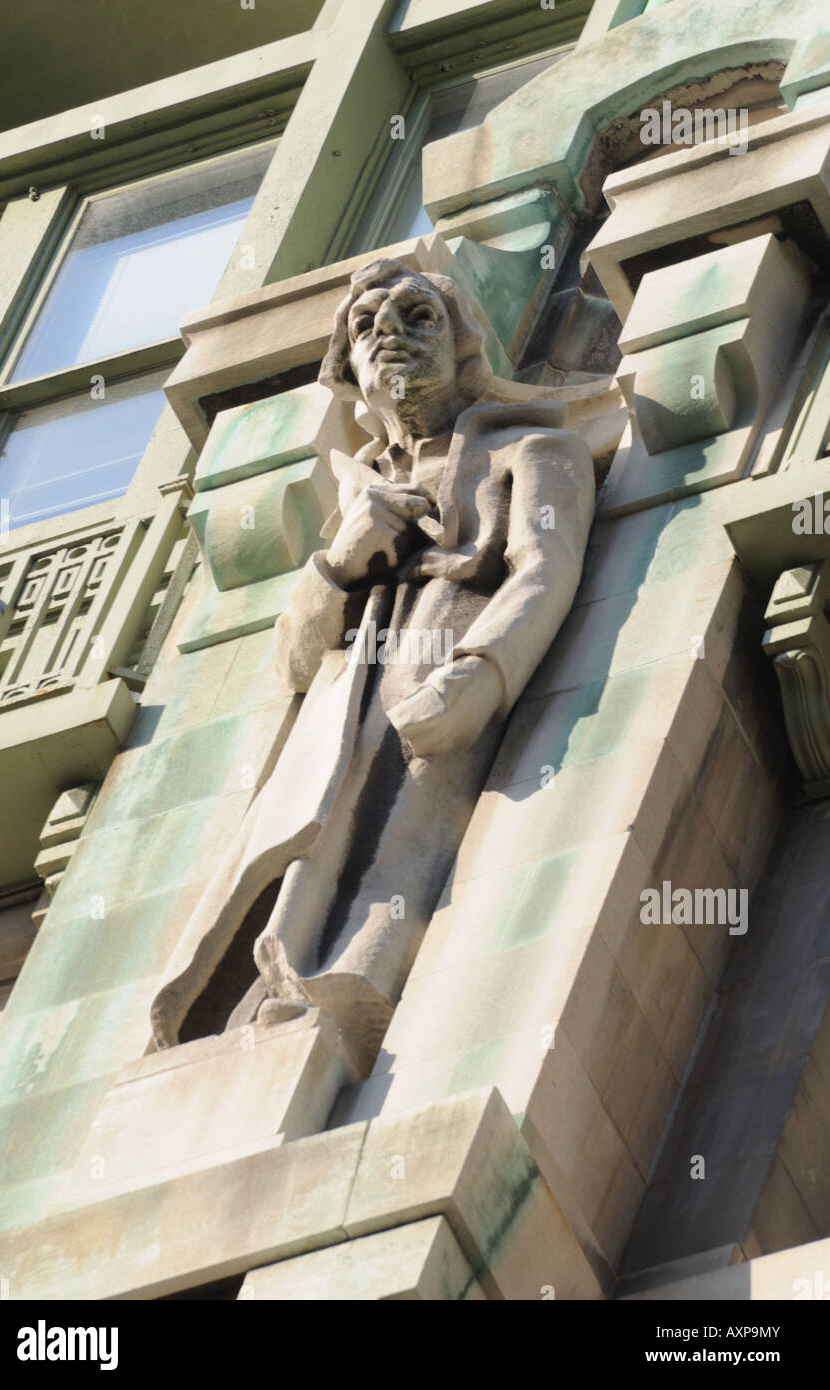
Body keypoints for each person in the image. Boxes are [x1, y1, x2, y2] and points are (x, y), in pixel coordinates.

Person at [151, 257, 595, 1076]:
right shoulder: (357, 492)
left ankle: (345, 1006)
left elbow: (545, 565)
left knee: (395, 853)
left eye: (416, 316)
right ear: (348, 369)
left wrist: (479, 673)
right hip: (341, 700)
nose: (387, 332)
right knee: (297, 869)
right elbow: (292, 659)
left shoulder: (536, 448)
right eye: (365, 327)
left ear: (462, 348)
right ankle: (269, 1014)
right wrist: (339, 562)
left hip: (436, 675)